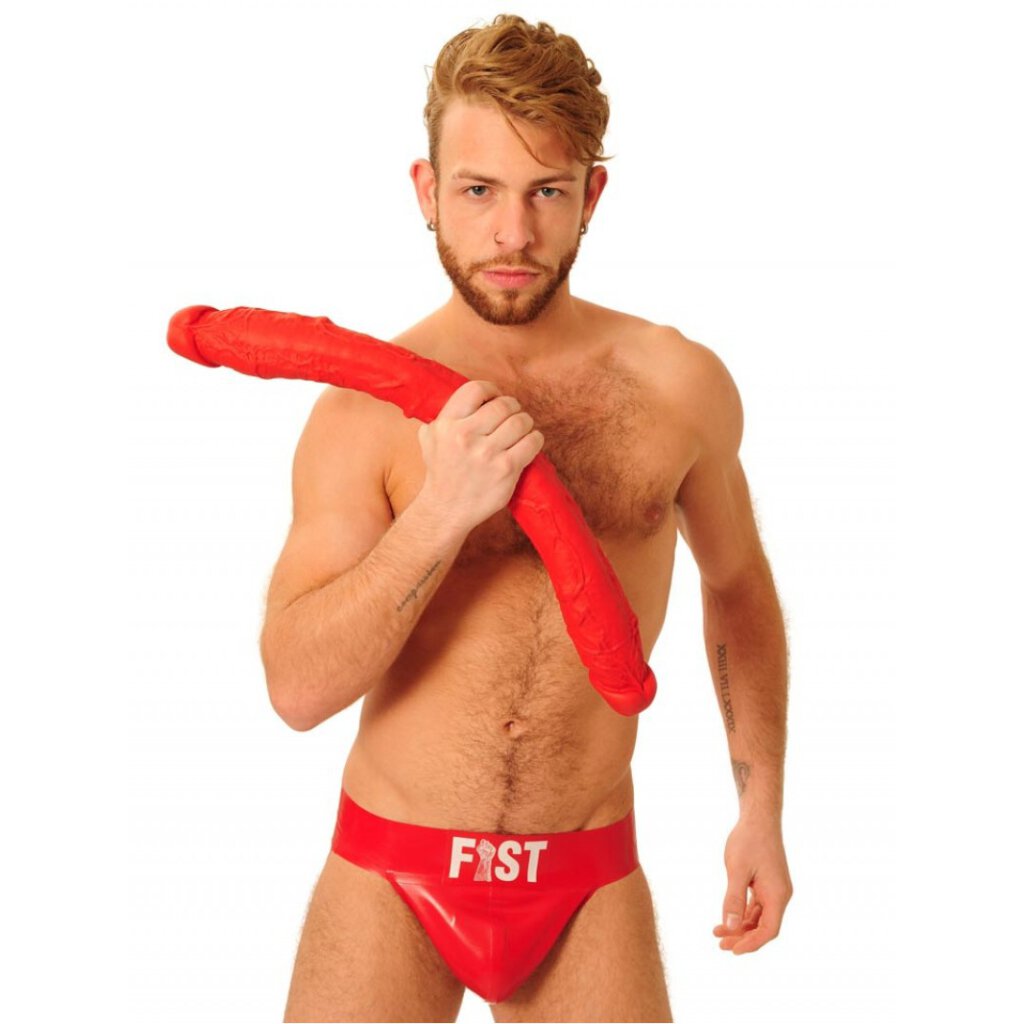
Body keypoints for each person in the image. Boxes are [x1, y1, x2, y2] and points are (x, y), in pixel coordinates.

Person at [260, 13, 792, 1022]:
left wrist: (758, 808)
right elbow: (295, 688)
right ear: (428, 193)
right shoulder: (358, 416)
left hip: (586, 876)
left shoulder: (679, 385)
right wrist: (440, 515)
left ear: (591, 195)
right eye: (479, 191)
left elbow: (737, 585)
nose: (512, 233)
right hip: (390, 870)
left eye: (546, 191)